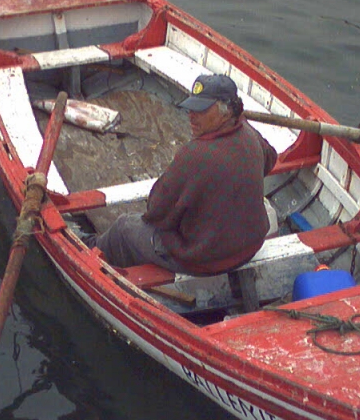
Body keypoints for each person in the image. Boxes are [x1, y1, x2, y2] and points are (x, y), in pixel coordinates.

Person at [91, 73, 278, 275]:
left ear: (226, 112)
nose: (191, 115)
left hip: (205, 260)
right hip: (249, 247)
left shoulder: (195, 155)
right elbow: (270, 159)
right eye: (191, 107)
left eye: (202, 109)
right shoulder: (250, 134)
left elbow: (156, 210)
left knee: (124, 228)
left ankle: (90, 248)